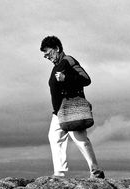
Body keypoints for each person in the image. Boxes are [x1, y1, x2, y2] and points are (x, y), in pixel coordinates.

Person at [40, 36, 105, 179]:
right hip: (59, 112)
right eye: (44, 54)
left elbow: (86, 79)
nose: (46, 56)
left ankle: (96, 171)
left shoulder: (68, 60)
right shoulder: (57, 65)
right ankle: (59, 173)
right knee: (54, 137)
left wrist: (66, 78)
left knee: (80, 140)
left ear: (57, 48)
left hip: (72, 109)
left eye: (47, 52)